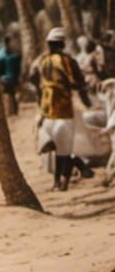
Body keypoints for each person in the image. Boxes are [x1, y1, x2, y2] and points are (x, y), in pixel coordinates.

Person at [30, 27, 93, 191]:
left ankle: (59, 180)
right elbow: (79, 81)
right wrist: (81, 92)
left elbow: (31, 76)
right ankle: (65, 178)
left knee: (56, 147)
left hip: (46, 109)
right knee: (64, 150)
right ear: (62, 44)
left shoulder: (41, 60)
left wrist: (41, 90)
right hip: (63, 108)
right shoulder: (67, 60)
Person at [0, 35, 22, 118]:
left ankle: (14, 113)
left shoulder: (13, 54)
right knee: (8, 96)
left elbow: (17, 68)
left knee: (14, 95)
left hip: (12, 78)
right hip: (5, 79)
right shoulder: (1, 56)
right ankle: (9, 113)